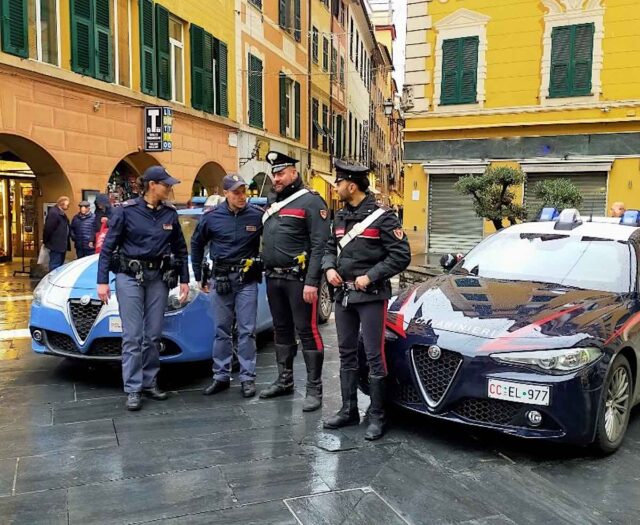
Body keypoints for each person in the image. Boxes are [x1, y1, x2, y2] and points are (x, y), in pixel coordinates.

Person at [322, 160, 411, 440]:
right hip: (344, 296)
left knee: (374, 355)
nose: (335, 188)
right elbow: (328, 248)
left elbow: (400, 255)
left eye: (338, 183)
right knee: (346, 352)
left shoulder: (383, 217)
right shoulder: (339, 217)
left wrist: (371, 276)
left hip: (371, 296)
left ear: (351, 185)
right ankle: (349, 410)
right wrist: (329, 268)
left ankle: (377, 416)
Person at [97, 166, 190, 411]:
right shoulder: (125, 211)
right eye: (166, 185)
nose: (169, 189)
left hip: (158, 278)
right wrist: (102, 281)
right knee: (133, 335)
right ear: (152, 185)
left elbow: (180, 249)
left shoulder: (170, 214)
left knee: (153, 335)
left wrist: (184, 280)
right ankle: (133, 388)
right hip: (129, 277)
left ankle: (150, 382)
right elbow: (107, 248)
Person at [259, 151, 330, 412]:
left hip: (300, 280)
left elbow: (320, 245)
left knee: (307, 330)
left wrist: (313, 281)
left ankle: (314, 388)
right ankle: (285, 380)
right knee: (281, 329)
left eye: (280, 173)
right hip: (274, 277)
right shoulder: (272, 201)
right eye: (274, 174)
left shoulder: (311, 202)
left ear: (293, 173)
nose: (275, 178)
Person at [191, 174, 264, 398]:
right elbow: (196, 244)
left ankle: (247, 378)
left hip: (246, 280)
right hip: (220, 279)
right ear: (226, 194)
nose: (242, 196)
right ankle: (221, 376)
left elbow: (273, 239)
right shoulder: (211, 218)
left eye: (244, 192)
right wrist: (198, 276)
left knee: (247, 330)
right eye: (236, 192)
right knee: (221, 330)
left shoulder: (257, 216)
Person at [43, 196, 71, 271]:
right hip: (56, 244)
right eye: (67, 205)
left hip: (60, 244)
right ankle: (52, 279)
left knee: (59, 264)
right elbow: (48, 229)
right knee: (55, 264)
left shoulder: (60, 213)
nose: (68, 206)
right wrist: (46, 241)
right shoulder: (54, 213)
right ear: (61, 204)